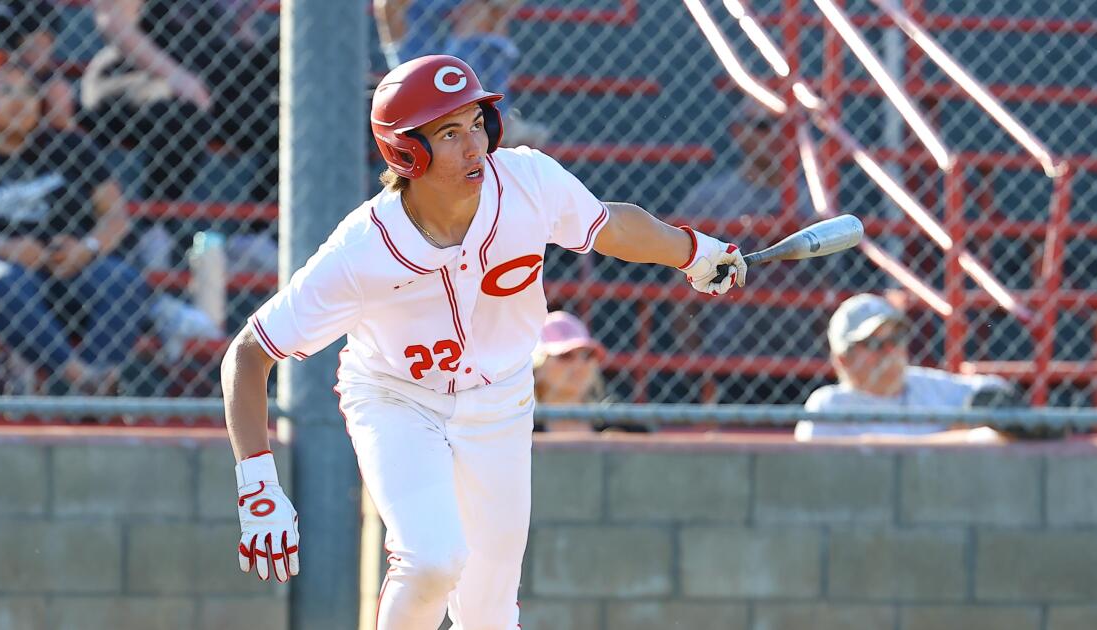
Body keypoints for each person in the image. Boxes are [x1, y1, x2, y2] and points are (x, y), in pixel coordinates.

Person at [220, 55, 747, 628]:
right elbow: (248, 353)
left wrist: (694, 252)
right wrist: (257, 483)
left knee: (490, 613)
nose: (474, 144)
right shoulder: (361, 250)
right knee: (430, 561)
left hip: (501, 397)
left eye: (476, 122)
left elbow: (610, 223)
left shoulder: (526, 181)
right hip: (397, 398)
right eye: (449, 133)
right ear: (405, 153)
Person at [0, 53, 149, 395]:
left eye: (29, 92)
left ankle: (98, 384)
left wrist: (86, 249)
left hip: (67, 268)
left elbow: (115, 215)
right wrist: (7, 249)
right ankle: (79, 378)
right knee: (1, 280)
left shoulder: (69, 146)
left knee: (123, 281)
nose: (20, 102)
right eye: (6, 91)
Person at [81, 0, 278, 200]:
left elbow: (234, 32)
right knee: (183, 114)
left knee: (287, 110)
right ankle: (157, 226)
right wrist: (176, 77)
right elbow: (113, 21)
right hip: (138, 74)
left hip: (214, 78)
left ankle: (263, 230)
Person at [795, 293, 1017, 441]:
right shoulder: (829, 405)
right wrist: (957, 439)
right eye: (875, 344)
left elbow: (996, 393)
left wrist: (969, 416)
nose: (890, 352)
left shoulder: (924, 384)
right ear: (843, 359)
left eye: (896, 339)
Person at [373, 0, 550, 147]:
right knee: (478, 14)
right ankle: (493, 117)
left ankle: (495, 116)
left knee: (484, 12)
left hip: (456, 37)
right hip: (417, 52)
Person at [677, 98, 812, 221]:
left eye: (787, 125)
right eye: (762, 125)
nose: (777, 133)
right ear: (738, 131)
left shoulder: (816, 197)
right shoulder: (708, 198)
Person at [532, 310, 607, 433]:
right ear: (538, 365)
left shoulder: (616, 425)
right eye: (565, 356)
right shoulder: (521, 430)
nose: (579, 365)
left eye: (587, 355)